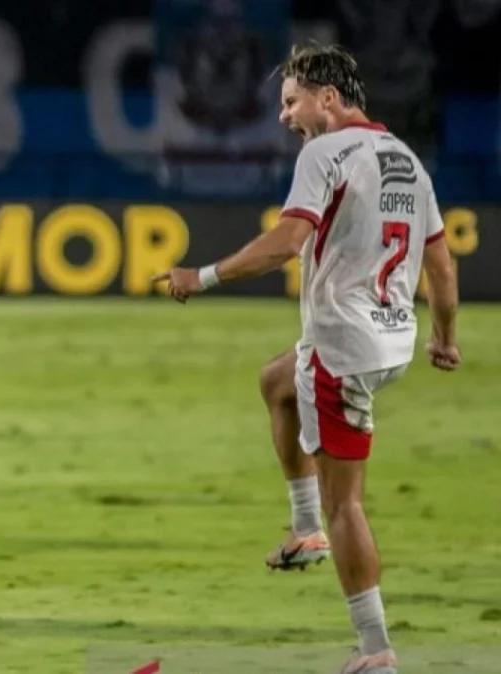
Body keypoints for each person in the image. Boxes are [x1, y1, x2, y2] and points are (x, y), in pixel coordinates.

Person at [153, 44, 460, 674]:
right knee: (277, 381)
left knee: (346, 502)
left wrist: (200, 276)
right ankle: (304, 529)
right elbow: (442, 267)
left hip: (343, 349)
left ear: (328, 97)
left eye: (291, 102)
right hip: (393, 338)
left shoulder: (324, 153)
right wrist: (444, 338)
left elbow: (285, 244)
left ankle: (375, 649)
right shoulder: (408, 161)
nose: (284, 115)